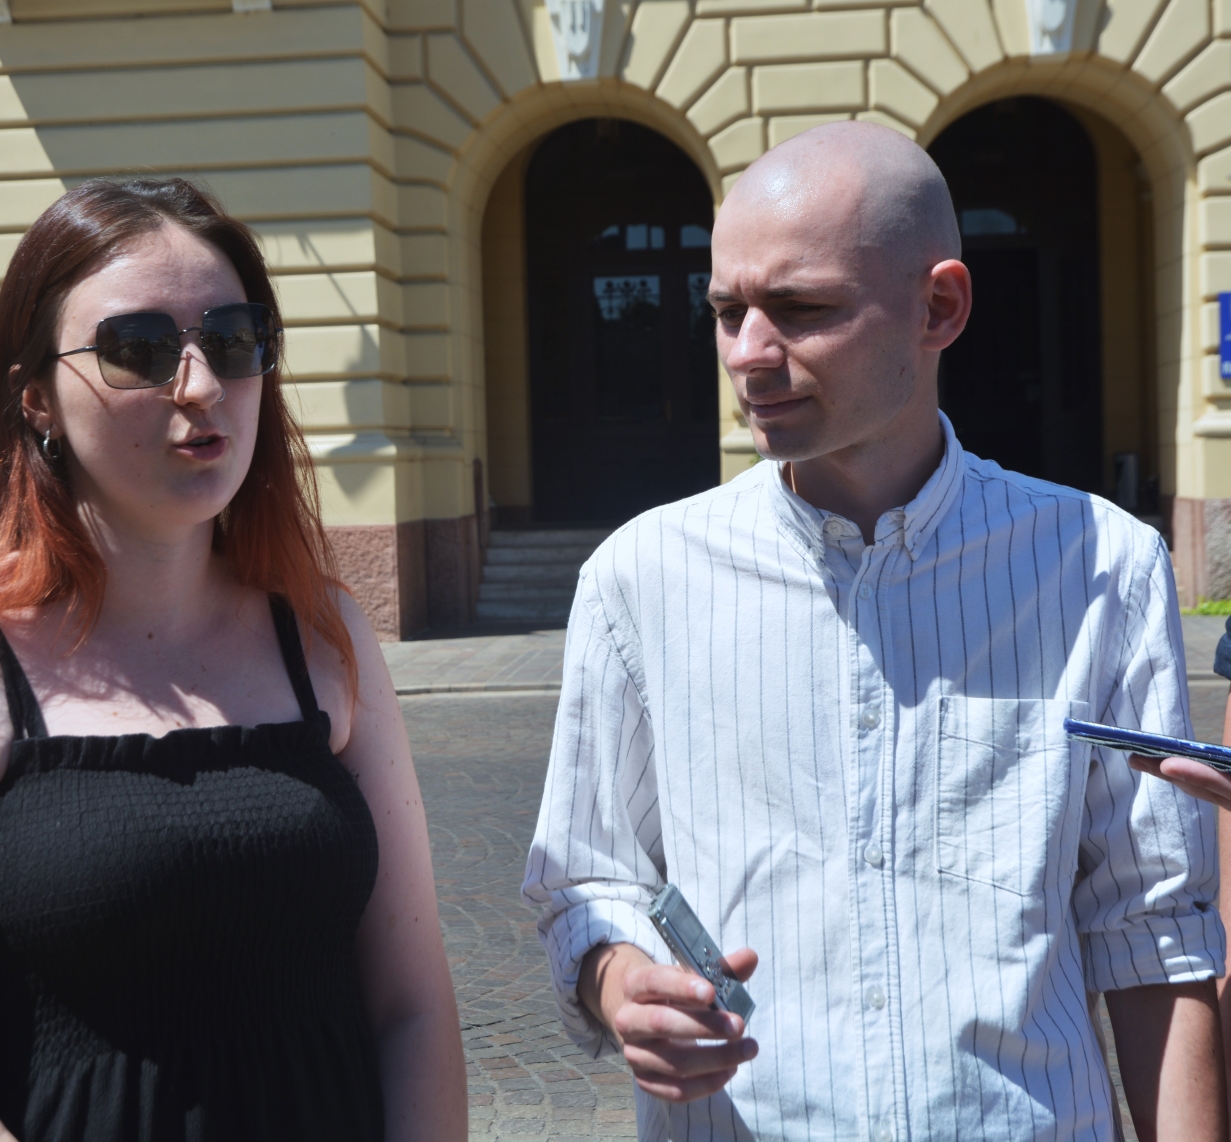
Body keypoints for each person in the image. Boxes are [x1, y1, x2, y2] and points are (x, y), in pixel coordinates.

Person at [522, 121, 1226, 1141]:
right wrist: (620, 980)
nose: (748, 353)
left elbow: (1151, 926)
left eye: (801, 309)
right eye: (726, 312)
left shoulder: (1101, 566)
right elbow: (587, 877)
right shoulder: (639, 579)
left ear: (939, 307)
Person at [0, 178, 467, 1141]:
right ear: (35, 398)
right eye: (138, 349)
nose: (201, 386)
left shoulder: (322, 634)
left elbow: (412, 1010)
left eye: (235, 339)